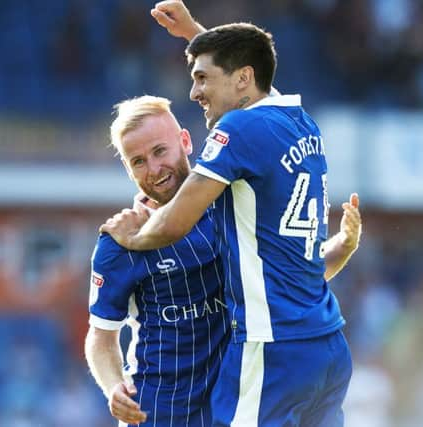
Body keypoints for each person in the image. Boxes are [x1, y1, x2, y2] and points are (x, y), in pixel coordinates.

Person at [100, 2, 362, 426]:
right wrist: (196, 36)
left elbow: (174, 223)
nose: (194, 92)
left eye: (202, 79)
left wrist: (130, 237)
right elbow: (248, 68)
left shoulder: (238, 130)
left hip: (272, 350)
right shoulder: (299, 121)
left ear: (243, 78)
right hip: (327, 347)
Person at [85, 95, 230, 427]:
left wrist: (341, 246)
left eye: (159, 151)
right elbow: (101, 337)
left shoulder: (230, 207)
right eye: (137, 161)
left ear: (185, 142)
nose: (153, 169)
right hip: (157, 413)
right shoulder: (118, 243)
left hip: (231, 410)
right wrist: (113, 388)